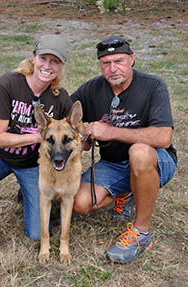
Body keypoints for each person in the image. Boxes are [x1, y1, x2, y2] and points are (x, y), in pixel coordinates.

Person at [71, 35, 177, 264]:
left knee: (138, 152)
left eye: (119, 61)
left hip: (157, 160)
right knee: (79, 203)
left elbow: (164, 137)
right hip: (113, 163)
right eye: (106, 63)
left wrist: (111, 132)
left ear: (132, 59)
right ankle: (127, 191)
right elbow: (67, 115)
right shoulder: (92, 88)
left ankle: (141, 233)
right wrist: (82, 135)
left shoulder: (153, 86)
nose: (113, 68)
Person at [0, 34, 73, 249]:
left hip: (31, 163)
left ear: (61, 67)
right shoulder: (8, 84)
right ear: (33, 58)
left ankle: (27, 191)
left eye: (55, 61)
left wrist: (89, 134)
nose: (47, 66)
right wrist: (37, 137)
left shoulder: (60, 97)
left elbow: (74, 130)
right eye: (43, 59)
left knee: (36, 234)